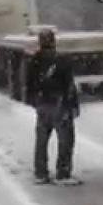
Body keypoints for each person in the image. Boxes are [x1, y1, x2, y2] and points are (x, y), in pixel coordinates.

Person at [27, 29, 81, 185]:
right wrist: (73, 105)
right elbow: (69, 85)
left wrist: (34, 101)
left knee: (42, 140)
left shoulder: (34, 61)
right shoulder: (62, 60)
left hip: (42, 104)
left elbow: (29, 83)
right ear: (53, 41)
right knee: (65, 139)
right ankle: (63, 173)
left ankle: (40, 172)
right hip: (60, 104)